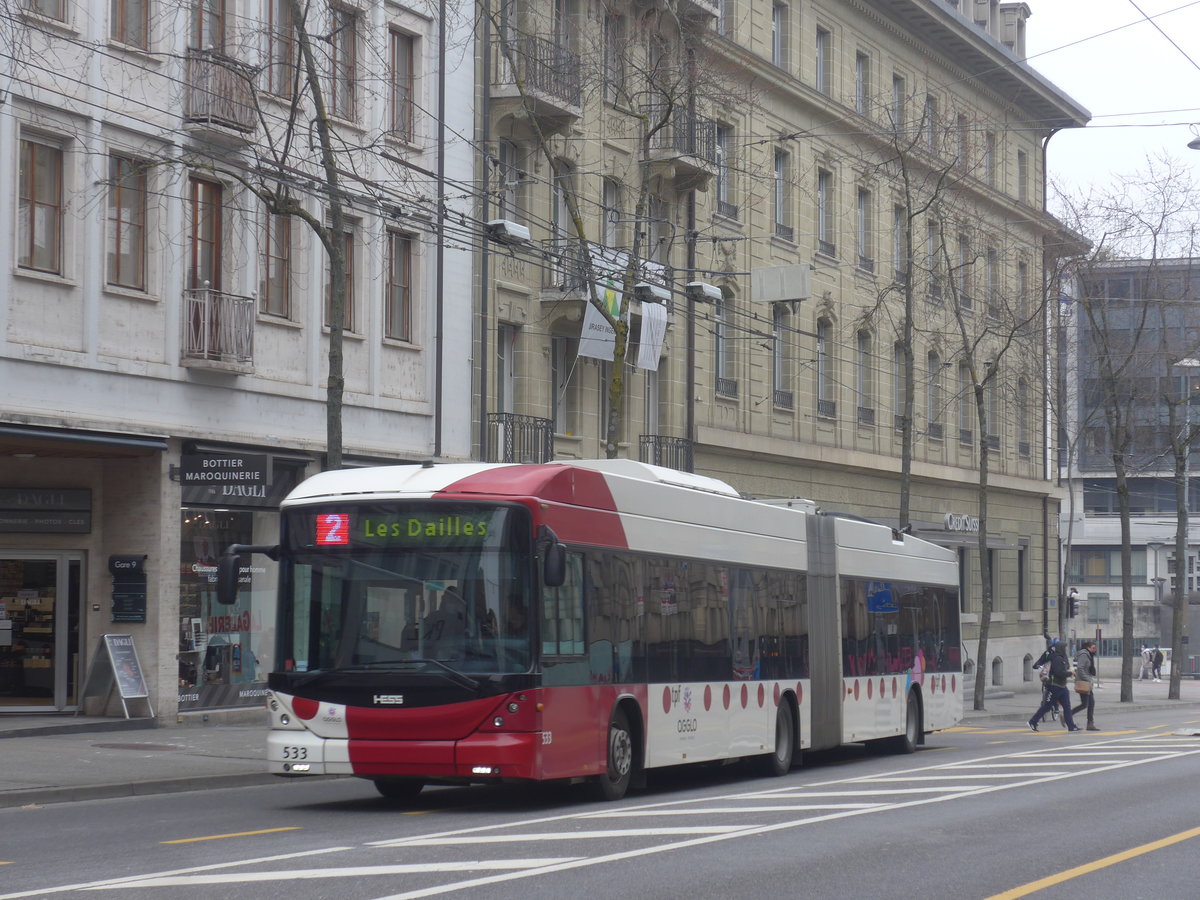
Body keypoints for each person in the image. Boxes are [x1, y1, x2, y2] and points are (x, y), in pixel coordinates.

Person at [1028, 639, 1080, 732]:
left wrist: (1069, 671)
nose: (1066, 649)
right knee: (1047, 706)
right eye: (1065, 648)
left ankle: (1071, 726)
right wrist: (1070, 673)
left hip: (1062, 686)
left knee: (1067, 706)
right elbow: (1059, 672)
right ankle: (1033, 721)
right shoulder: (1056, 658)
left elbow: (1064, 669)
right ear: (1061, 648)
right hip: (1054, 686)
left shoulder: (1062, 657)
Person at [1071, 639, 1100, 731]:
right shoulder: (1084, 655)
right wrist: (1088, 680)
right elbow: (1080, 668)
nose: (1095, 650)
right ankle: (1067, 715)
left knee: (1090, 703)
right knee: (1086, 704)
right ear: (1088, 648)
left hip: (1085, 682)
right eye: (1093, 648)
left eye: (1095, 648)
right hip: (1083, 682)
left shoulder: (1088, 655)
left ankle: (1090, 723)